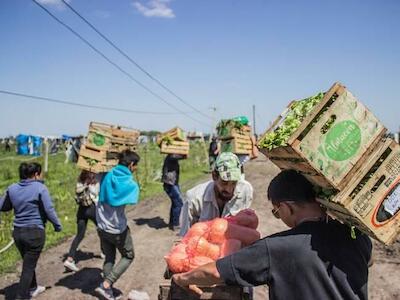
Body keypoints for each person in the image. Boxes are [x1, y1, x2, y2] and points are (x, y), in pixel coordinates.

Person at [173, 169, 373, 300]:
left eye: (276, 212)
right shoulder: (357, 236)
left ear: (286, 207)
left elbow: (215, 272)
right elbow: (368, 261)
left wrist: (182, 279)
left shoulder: (277, 248)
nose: (279, 216)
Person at [0, 162, 62, 300]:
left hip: (18, 233)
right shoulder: (40, 188)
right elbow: (49, 209)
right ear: (35, 174)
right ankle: (21, 296)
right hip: (35, 233)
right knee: (28, 266)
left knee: (28, 261)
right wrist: (57, 225)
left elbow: (3, 206)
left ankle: (33, 287)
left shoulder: (12, 188)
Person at [95, 150, 140, 300]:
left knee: (109, 257)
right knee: (128, 255)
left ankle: (108, 292)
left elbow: (94, 170)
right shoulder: (130, 183)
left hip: (101, 225)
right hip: (117, 229)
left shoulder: (106, 175)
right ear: (131, 164)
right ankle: (107, 284)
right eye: (136, 166)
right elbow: (133, 197)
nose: (136, 169)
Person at [179, 152, 253, 236]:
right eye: (224, 182)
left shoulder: (245, 191)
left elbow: (245, 226)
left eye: (234, 183)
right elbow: (185, 236)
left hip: (233, 243)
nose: (229, 189)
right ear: (214, 176)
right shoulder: (194, 198)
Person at [63, 170, 100, 272]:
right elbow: (97, 194)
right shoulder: (94, 181)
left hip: (81, 210)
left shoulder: (80, 181)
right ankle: (104, 251)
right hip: (92, 208)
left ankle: (70, 259)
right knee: (101, 229)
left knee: (79, 235)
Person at [162, 154, 186, 231]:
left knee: (175, 203)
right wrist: (184, 154)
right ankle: (175, 224)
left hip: (172, 182)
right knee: (179, 203)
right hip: (170, 183)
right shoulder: (171, 156)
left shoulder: (171, 156)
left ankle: (172, 223)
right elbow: (177, 156)